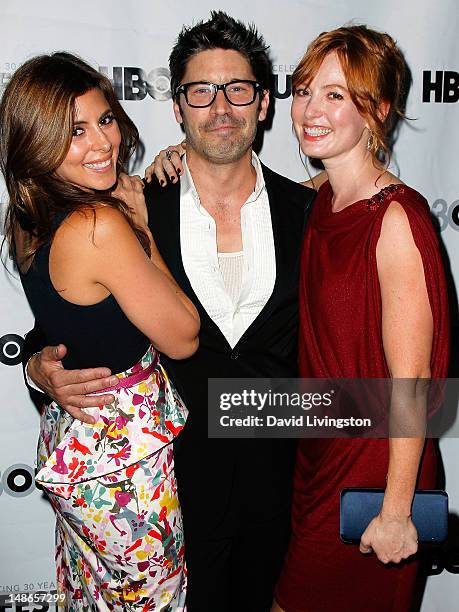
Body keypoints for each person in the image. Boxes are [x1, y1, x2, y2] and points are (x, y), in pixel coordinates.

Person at [21, 12, 316, 611]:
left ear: (263, 104)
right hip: (169, 495)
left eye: (238, 89)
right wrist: (37, 365)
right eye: (200, 91)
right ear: (177, 107)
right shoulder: (133, 207)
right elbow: (69, 316)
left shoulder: (311, 213)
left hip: (279, 484)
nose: (221, 107)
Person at [1, 52, 200, 610]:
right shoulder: (99, 225)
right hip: (121, 468)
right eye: (73, 133)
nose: (102, 144)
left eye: (104, 120)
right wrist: (141, 228)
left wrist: (37, 367)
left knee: (91, 597)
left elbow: (57, 323)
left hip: (75, 446)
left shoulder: (28, 214)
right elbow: (183, 336)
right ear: (36, 143)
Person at [270, 26, 449, 612]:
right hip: (319, 457)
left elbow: (411, 386)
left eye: (336, 95)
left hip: (375, 474)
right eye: (303, 90)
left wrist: (397, 511)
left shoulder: (397, 219)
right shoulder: (323, 195)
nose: (310, 110)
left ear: (378, 109)